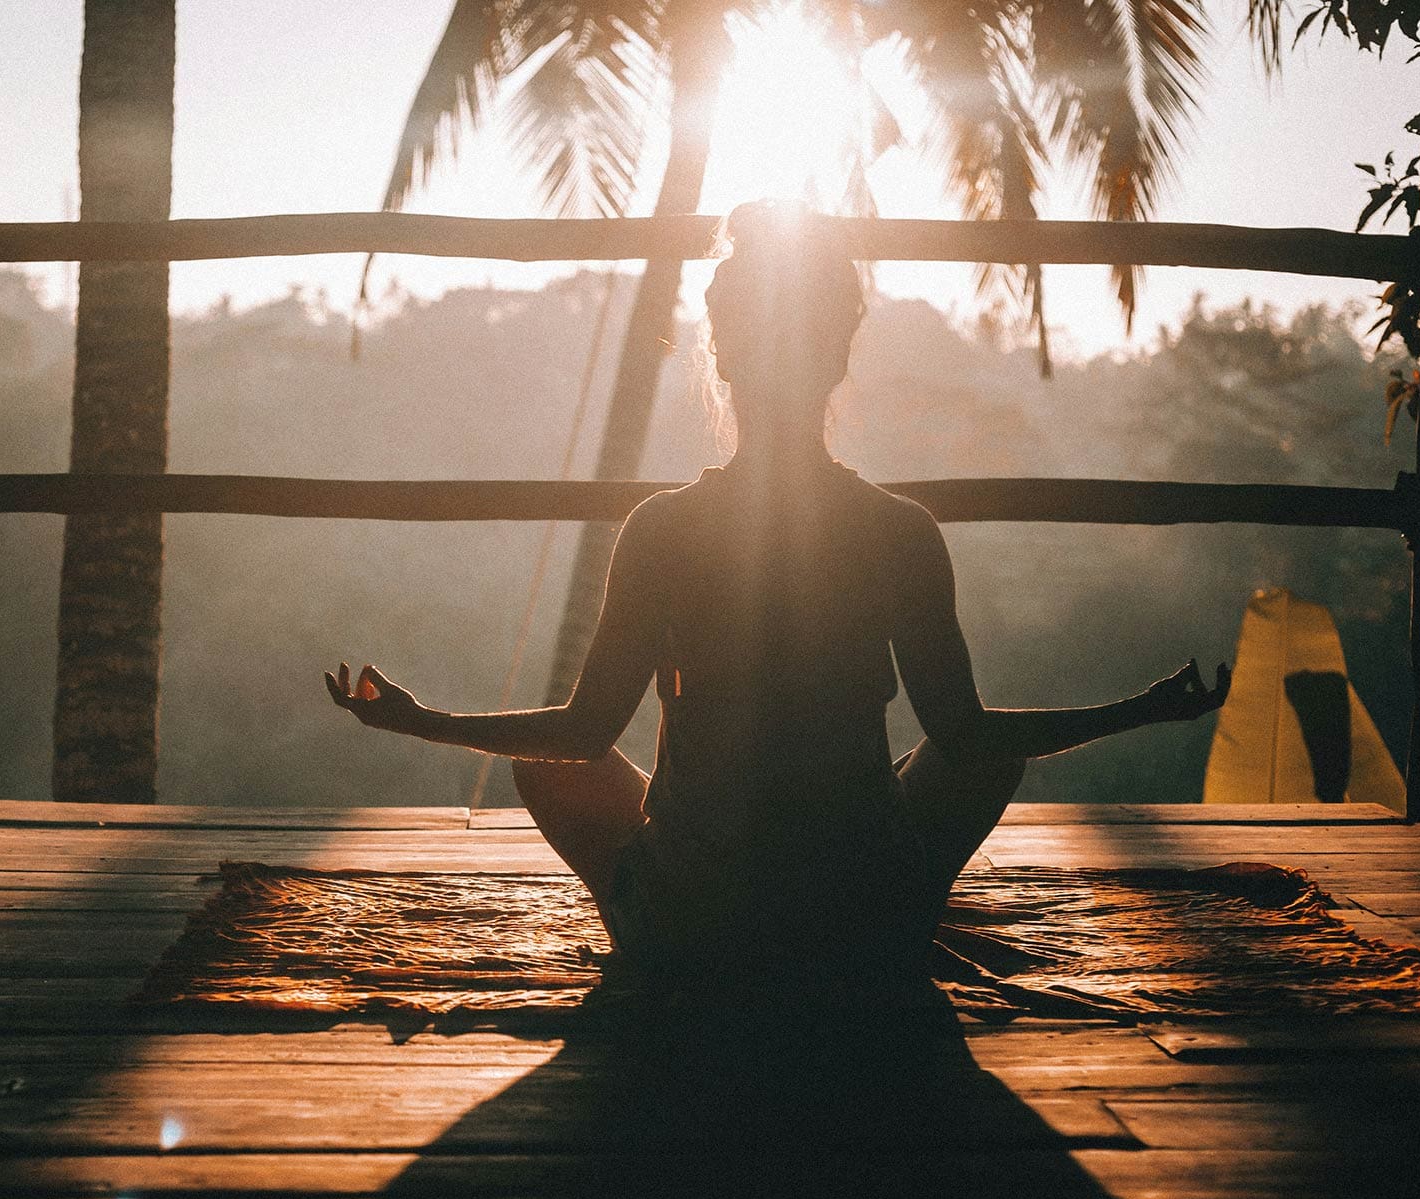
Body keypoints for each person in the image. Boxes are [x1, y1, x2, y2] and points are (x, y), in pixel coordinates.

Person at [326, 200, 1229, 1001]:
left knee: (546, 766)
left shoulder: (663, 529)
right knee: (982, 752)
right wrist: (1142, 710)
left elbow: (582, 733)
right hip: (860, 927)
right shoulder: (899, 531)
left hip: (696, 929)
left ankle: (651, 930)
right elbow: (966, 736)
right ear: (838, 356)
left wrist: (420, 719)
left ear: (722, 357)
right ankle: (885, 913)